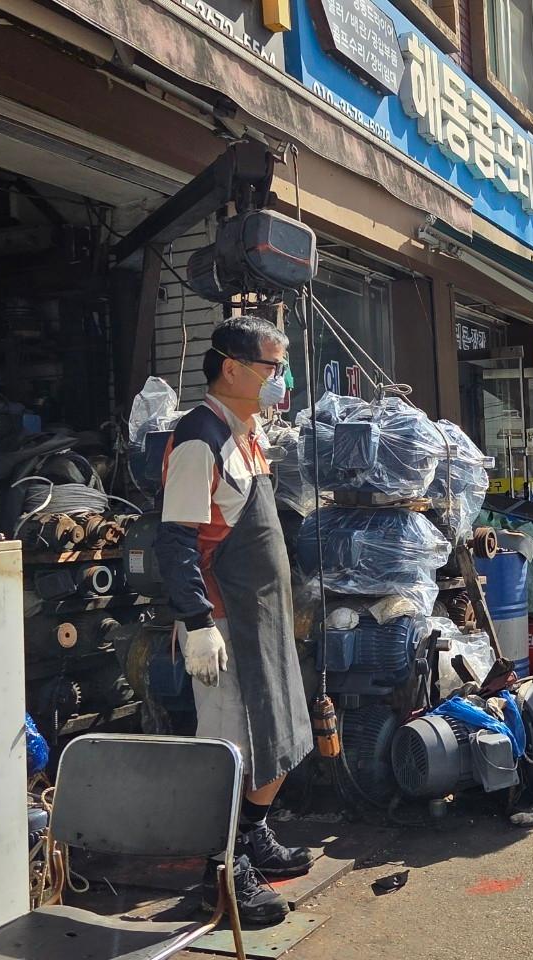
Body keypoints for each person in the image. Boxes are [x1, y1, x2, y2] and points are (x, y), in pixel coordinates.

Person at [155, 315, 315, 925]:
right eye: (275, 367)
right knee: (227, 751)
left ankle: (252, 836)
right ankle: (219, 874)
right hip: (221, 626)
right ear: (232, 369)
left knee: (273, 738)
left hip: (263, 618)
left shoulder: (247, 431)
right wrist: (195, 623)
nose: (283, 379)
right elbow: (176, 541)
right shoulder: (199, 440)